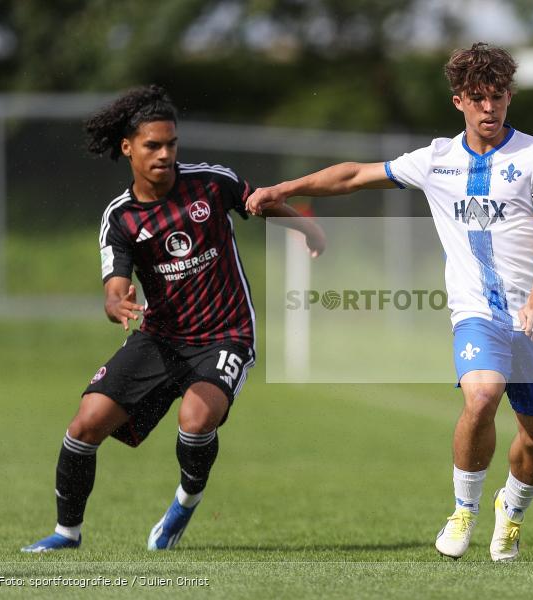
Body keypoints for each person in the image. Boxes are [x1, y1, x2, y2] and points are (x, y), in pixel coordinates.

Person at [246, 43, 533, 562]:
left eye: (499, 97)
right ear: (459, 100)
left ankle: (511, 514)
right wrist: (283, 188)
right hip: (475, 310)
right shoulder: (435, 160)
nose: (490, 109)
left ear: (510, 97)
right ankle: (464, 511)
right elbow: (353, 175)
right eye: (479, 98)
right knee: (482, 396)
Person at [21, 85, 325, 552]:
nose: (165, 154)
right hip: (161, 336)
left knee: (196, 418)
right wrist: (117, 303)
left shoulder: (209, 183)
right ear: (128, 148)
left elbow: (258, 204)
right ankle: (67, 533)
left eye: (171, 144)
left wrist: (306, 227)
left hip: (227, 332)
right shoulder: (120, 218)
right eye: (152, 146)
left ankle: (186, 500)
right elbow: (114, 289)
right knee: (86, 422)